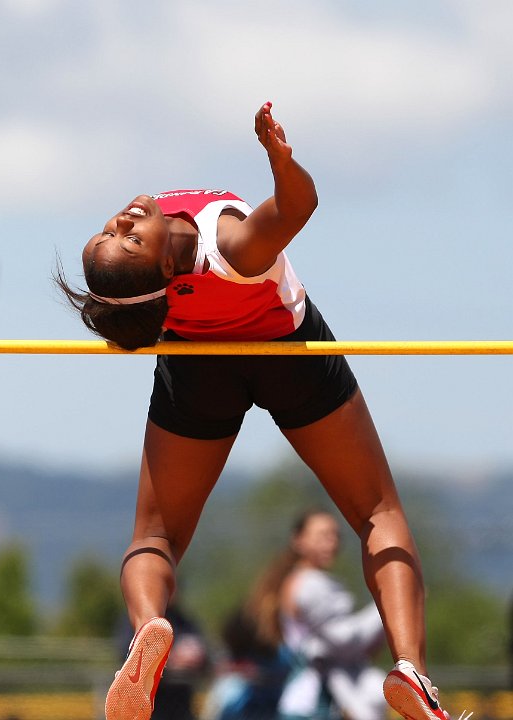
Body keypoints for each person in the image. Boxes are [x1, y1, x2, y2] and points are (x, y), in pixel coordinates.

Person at [55, 102, 467, 720]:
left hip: (195, 364)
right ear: (168, 269)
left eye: (112, 230)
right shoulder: (232, 243)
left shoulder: (152, 299)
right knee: (377, 510)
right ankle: (412, 670)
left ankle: (147, 629)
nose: (122, 219)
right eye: (129, 236)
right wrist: (283, 163)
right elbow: (298, 207)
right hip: (286, 351)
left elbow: (127, 327)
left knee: (156, 537)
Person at [246, 508, 386, 720]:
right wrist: (390, 603)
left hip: (312, 703)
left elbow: (357, 648)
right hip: (312, 705)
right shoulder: (309, 584)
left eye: (336, 535)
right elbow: (346, 639)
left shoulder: (303, 580)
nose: (332, 542)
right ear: (299, 540)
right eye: (323, 535)